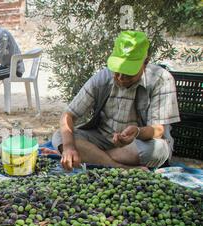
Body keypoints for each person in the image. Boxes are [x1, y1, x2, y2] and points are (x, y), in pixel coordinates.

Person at [51, 31, 180, 171]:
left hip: (137, 144)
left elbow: (158, 130)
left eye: (128, 72)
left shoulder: (161, 80)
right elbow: (68, 115)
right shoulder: (103, 78)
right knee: (60, 136)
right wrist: (69, 147)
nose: (120, 77)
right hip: (102, 139)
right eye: (117, 71)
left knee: (157, 149)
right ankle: (120, 167)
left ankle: (95, 159)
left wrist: (137, 132)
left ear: (146, 62)